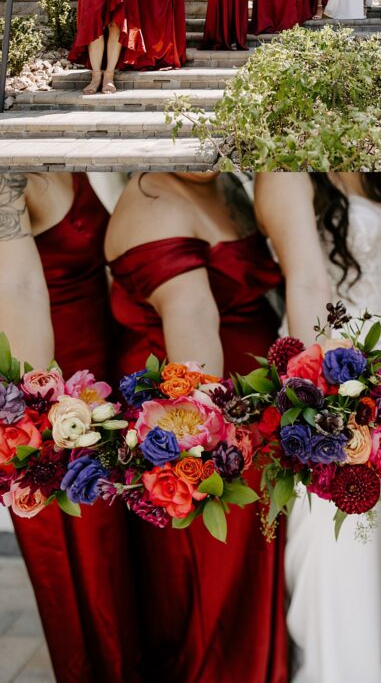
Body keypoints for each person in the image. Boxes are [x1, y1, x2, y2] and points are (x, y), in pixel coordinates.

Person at [105, 172, 289, 683]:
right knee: (209, 589)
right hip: (199, 432)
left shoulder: (224, 182)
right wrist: (204, 452)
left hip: (248, 422)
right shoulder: (152, 201)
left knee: (246, 582)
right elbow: (194, 330)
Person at [256, 173, 381, 683]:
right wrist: (325, 405)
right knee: (336, 538)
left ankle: (373, 664)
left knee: (369, 535)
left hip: (379, 377)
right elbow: (306, 282)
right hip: (328, 377)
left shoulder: (362, 163)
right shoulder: (286, 170)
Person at [0, 173, 141, 683]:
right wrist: (48, 422)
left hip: (103, 387)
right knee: (82, 564)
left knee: (116, 557)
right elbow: (16, 289)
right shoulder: (7, 173)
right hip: (60, 408)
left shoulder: (66, 148)